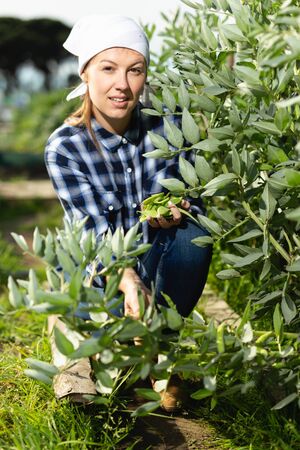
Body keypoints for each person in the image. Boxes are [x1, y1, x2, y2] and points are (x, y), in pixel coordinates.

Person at [45, 14, 212, 411]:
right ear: (86, 73)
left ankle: (157, 342)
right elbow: (91, 229)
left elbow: (197, 201)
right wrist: (126, 278)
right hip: (100, 279)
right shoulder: (66, 147)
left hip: (158, 274)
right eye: (108, 68)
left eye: (135, 70)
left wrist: (181, 209)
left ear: (145, 76)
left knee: (193, 235)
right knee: (94, 331)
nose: (122, 84)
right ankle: (104, 343)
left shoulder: (170, 129)